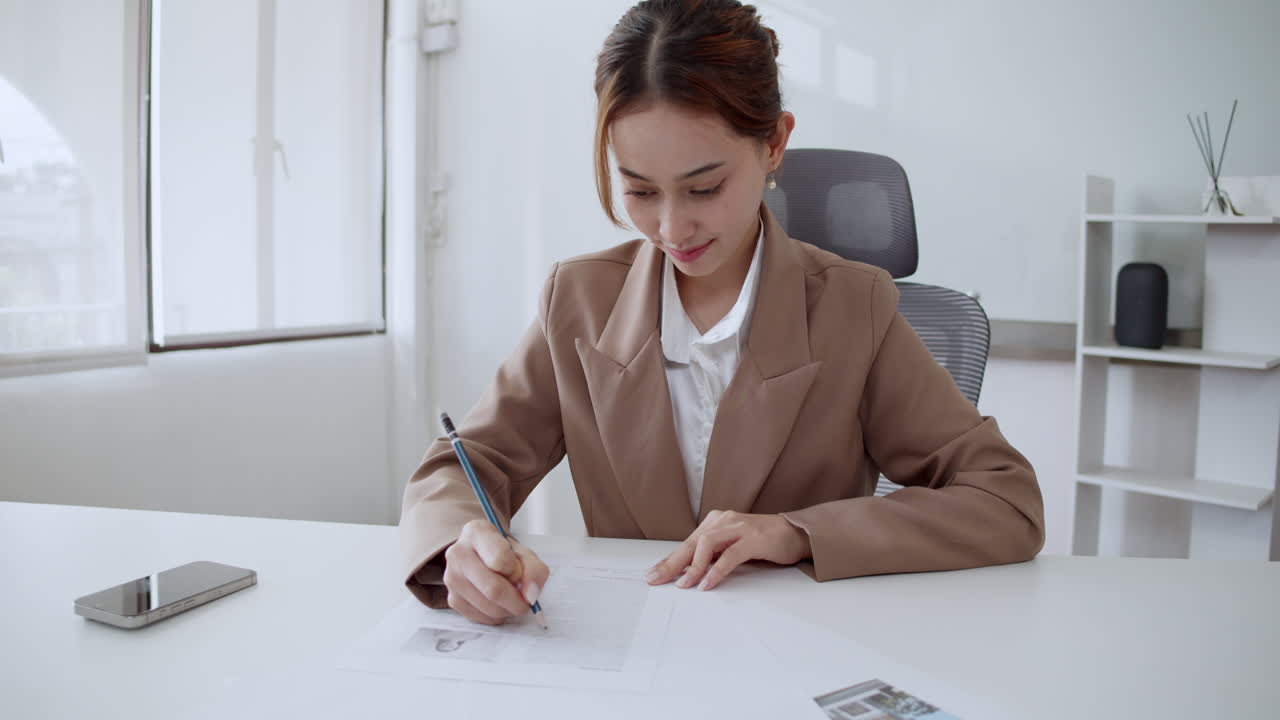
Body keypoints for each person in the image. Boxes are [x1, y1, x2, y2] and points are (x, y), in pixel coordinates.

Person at [399, 0, 1044, 626]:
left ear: (774, 145)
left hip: (799, 658)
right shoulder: (576, 302)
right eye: (640, 191)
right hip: (631, 658)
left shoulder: (857, 307)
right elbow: (460, 467)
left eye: (704, 188)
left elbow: (1005, 498)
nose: (673, 227)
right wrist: (464, 546)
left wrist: (798, 533)